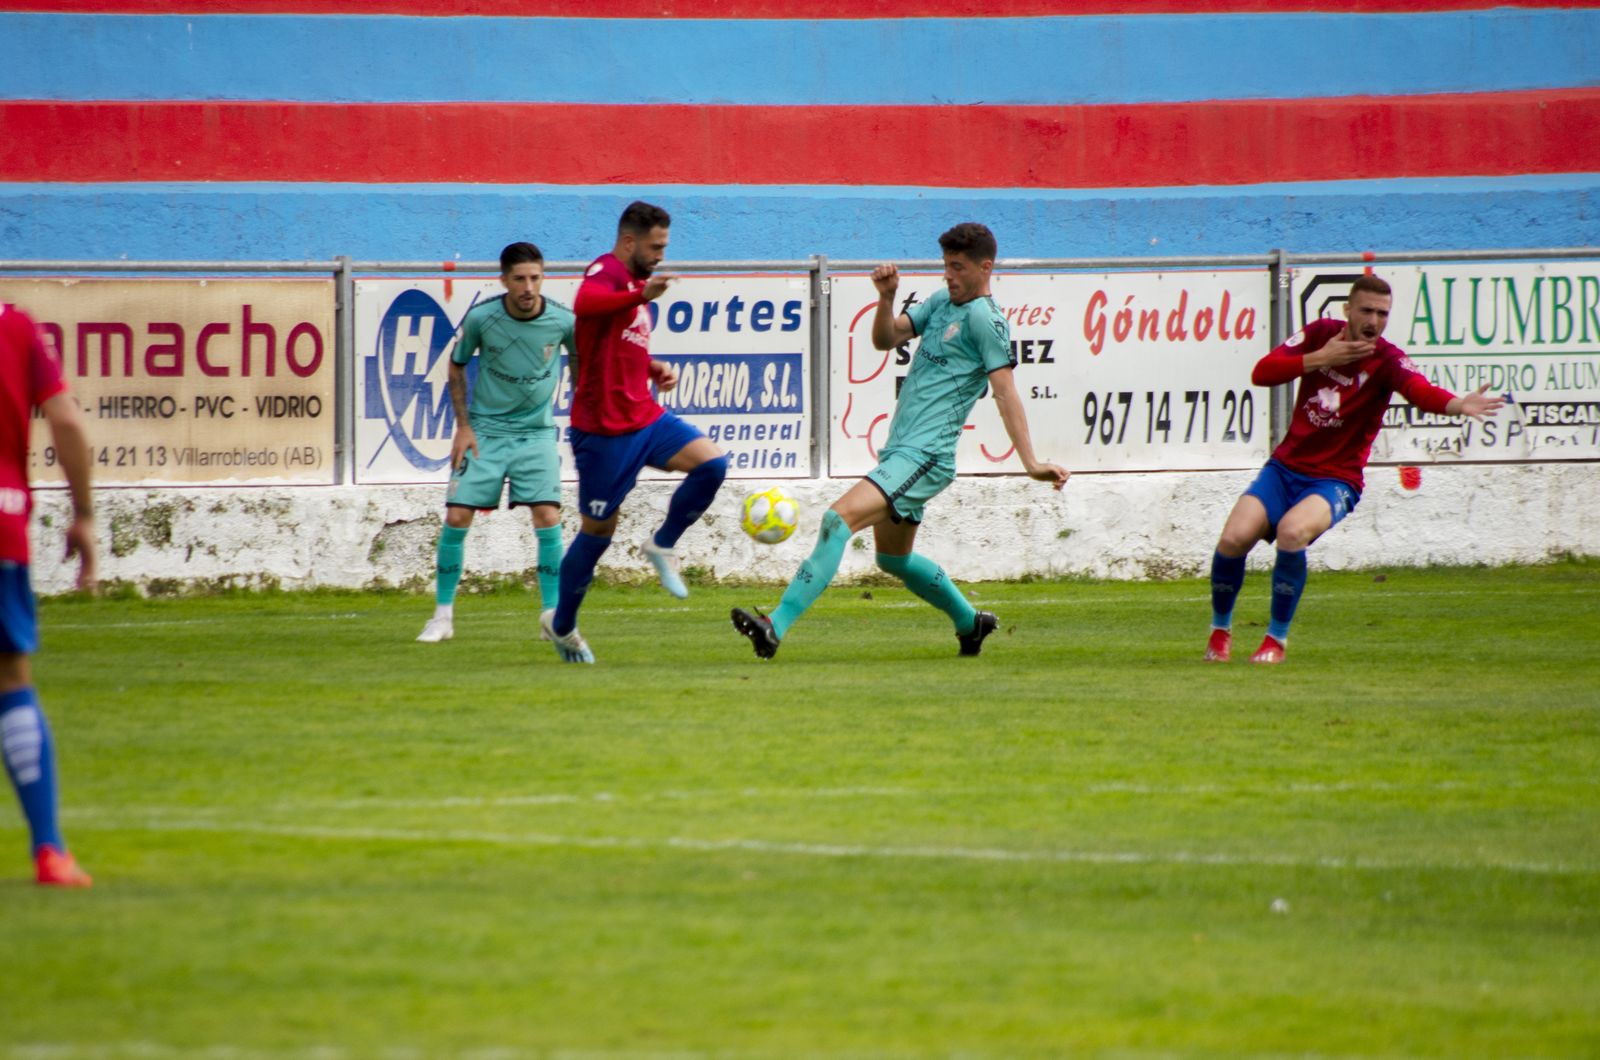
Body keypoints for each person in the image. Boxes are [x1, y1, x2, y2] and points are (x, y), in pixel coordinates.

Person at [731, 222, 1069, 660]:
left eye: (958, 267)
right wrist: (886, 297)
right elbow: (885, 340)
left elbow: (1005, 392)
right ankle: (971, 623)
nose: (949, 275)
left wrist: (1030, 462)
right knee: (892, 561)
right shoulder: (940, 302)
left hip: (926, 456)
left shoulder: (986, 320)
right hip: (902, 451)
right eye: (946, 265)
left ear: (986, 268)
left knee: (838, 520)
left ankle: (774, 625)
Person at [1204, 273, 1503, 664]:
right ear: (1348, 310)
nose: (1374, 320)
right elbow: (1262, 373)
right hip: (1284, 469)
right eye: (1367, 310)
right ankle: (1220, 633)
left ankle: (1275, 641)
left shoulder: (1388, 361)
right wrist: (1320, 359)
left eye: (1383, 313)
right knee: (1232, 539)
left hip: (1334, 480)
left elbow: (1419, 390)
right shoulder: (1320, 335)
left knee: (1293, 533)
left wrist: (1457, 405)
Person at [541, 201, 728, 664]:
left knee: (712, 464)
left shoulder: (633, 286)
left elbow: (614, 343)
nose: (661, 254)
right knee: (598, 532)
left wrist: (651, 367)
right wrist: (641, 297)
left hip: (644, 417)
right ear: (629, 242)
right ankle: (561, 625)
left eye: (664, 245)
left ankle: (662, 544)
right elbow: (585, 306)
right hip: (603, 431)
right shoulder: (604, 271)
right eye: (655, 246)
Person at [417, 242, 576, 643]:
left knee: (548, 516)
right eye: (519, 279)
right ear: (504, 280)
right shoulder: (481, 318)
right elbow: (455, 366)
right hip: (485, 432)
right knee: (456, 518)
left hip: (536, 433)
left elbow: (584, 365)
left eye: (535, 278)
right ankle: (442, 617)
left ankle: (552, 618)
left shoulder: (562, 320)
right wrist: (463, 427)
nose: (528, 287)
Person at [0, 302, 94, 887]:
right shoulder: (16, 326)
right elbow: (67, 421)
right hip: (3, 523)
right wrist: (84, 514)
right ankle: (50, 851)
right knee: (11, 677)